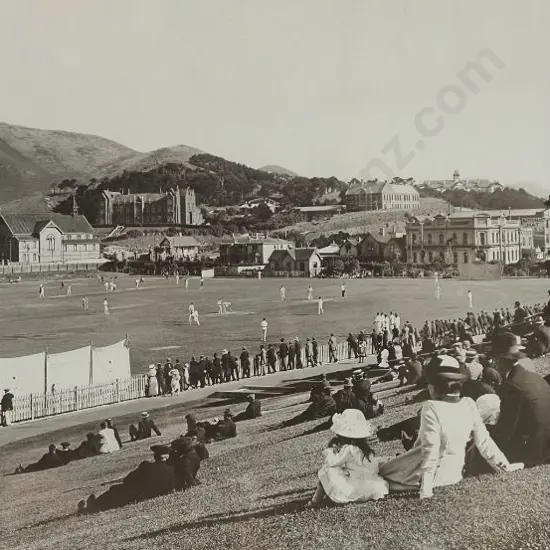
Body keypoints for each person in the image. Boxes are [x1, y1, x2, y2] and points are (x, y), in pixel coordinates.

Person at [378, 355, 522, 499]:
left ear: (433, 386)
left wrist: (426, 489)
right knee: (384, 465)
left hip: (426, 476)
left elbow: (431, 450)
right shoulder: (469, 404)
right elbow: (485, 442)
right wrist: (505, 466)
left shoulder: (431, 407)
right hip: (454, 474)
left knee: (380, 471)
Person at [490, 332, 550, 466]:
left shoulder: (512, 385)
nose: (493, 364)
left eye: (493, 360)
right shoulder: (534, 377)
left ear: (499, 360)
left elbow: (506, 428)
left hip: (535, 449)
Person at [307, 409, 388, 507]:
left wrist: (331, 451)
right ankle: (324, 497)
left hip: (352, 488)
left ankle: (315, 501)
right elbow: (373, 469)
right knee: (339, 471)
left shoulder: (349, 449)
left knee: (327, 470)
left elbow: (332, 463)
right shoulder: (366, 450)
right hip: (369, 485)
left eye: (339, 435)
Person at [78, 445, 177, 513]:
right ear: (167, 456)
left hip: (139, 495)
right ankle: (93, 506)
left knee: (114, 489)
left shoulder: (146, 465)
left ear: (155, 456)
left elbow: (128, 479)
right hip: (153, 495)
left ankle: (91, 507)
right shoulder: (172, 470)